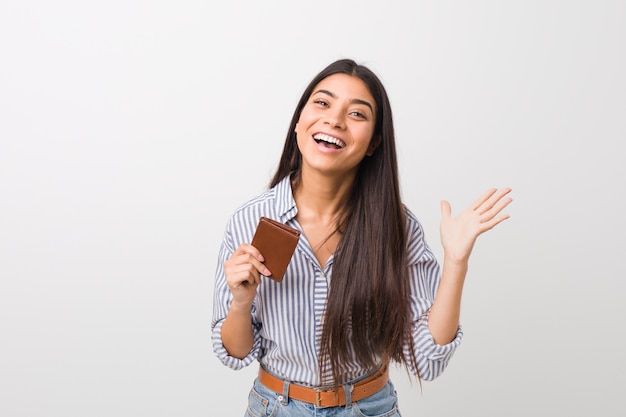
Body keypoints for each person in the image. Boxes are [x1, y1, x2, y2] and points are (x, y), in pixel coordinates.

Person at [211, 58, 512, 416]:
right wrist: (241, 302)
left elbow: (429, 361)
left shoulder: (396, 227)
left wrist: (456, 261)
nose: (334, 120)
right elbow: (236, 353)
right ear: (298, 123)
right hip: (275, 407)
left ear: (373, 144)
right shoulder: (249, 221)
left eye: (357, 114)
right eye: (322, 103)